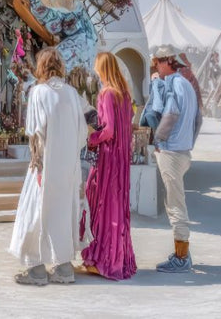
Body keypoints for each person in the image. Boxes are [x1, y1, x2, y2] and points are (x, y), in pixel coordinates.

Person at [8, 47, 87, 286]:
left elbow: (34, 132)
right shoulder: (72, 93)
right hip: (69, 168)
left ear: (40, 68)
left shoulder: (38, 92)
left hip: (45, 164)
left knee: (34, 212)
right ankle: (64, 267)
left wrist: (38, 165)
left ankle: (36, 269)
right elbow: (83, 132)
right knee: (62, 214)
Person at [81, 52, 137, 280]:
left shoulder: (106, 94)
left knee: (101, 204)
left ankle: (103, 258)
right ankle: (117, 258)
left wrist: (91, 138)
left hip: (108, 158)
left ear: (103, 69)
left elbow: (109, 130)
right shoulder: (124, 94)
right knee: (116, 207)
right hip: (121, 158)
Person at [150, 45, 201, 273]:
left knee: (175, 206)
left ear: (167, 61)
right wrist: (188, 142)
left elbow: (170, 114)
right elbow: (198, 119)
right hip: (183, 151)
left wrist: (159, 140)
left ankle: (181, 257)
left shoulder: (173, 84)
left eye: (158, 63)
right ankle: (181, 253)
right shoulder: (186, 84)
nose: (156, 67)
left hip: (171, 151)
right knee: (175, 203)